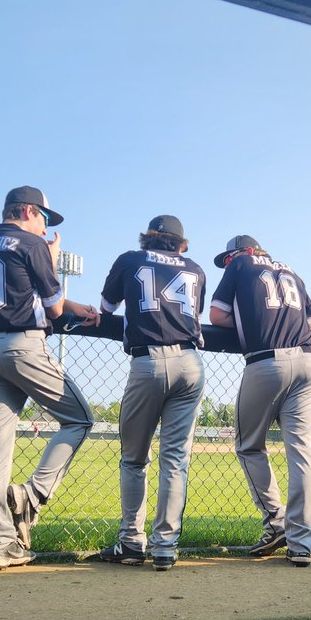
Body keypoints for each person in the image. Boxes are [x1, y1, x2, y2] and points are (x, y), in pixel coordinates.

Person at [0, 185, 99, 571]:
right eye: (43, 216)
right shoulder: (33, 244)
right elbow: (55, 309)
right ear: (27, 210)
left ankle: (0, 545)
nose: (45, 225)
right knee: (80, 419)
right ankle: (32, 494)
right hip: (22, 345)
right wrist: (52, 256)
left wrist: (71, 302)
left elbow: (18, 291)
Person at [97, 214, 206, 571]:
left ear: (149, 238)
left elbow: (106, 308)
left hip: (148, 361)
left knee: (134, 458)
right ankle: (165, 547)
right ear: (180, 243)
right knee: (175, 459)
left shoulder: (130, 259)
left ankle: (131, 541)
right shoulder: (195, 268)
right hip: (191, 362)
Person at [209, 234, 311, 568]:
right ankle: (301, 542)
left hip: (266, 361)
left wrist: (249, 321)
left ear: (241, 252)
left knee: (248, 445)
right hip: (309, 359)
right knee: (302, 450)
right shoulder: (291, 270)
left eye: (226, 258)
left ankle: (276, 522)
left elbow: (216, 315)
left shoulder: (240, 263)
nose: (226, 264)